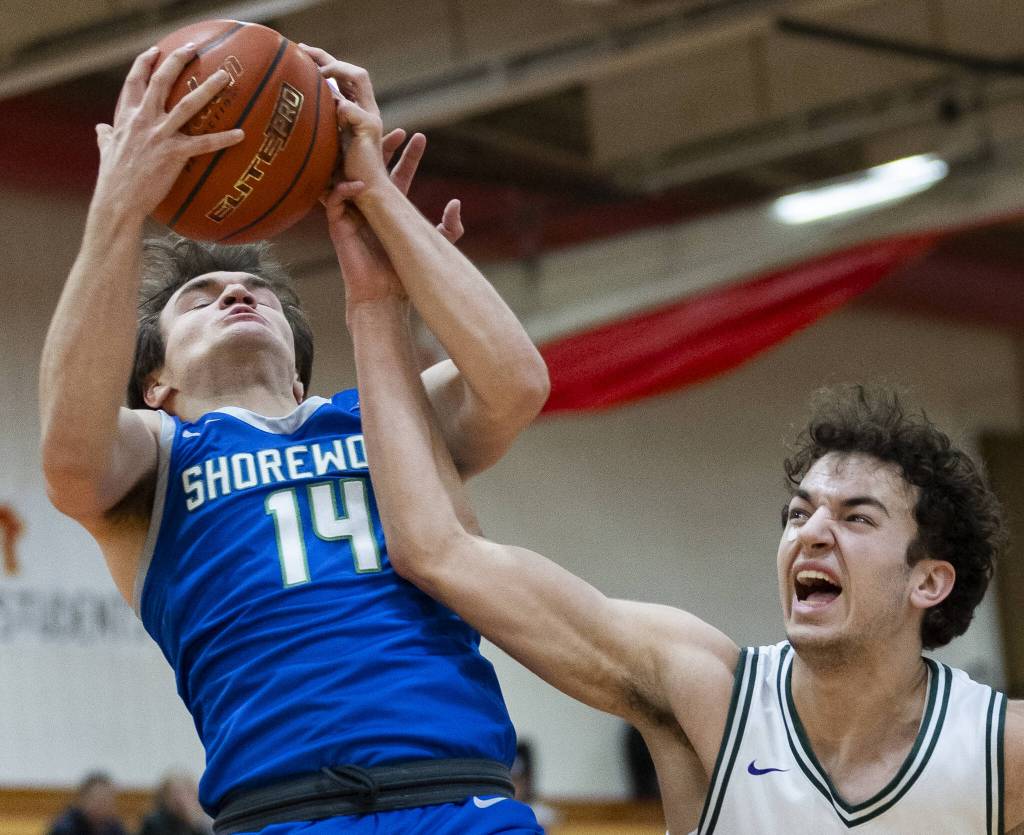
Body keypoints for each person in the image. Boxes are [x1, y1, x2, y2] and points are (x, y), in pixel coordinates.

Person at [40, 40, 549, 834]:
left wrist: (377, 201)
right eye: (200, 295)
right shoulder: (158, 457)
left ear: (305, 374)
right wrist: (118, 208)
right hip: (283, 811)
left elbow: (517, 383)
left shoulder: (384, 420)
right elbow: (68, 455)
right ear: (156, 387)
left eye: (257, 290)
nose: (237, 289)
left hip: (460, 797)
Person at [350, 263, 1021, 835]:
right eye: (799, 512)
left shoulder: (1003, 751)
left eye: (857, 517)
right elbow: (436, 549)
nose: (812, 532)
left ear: (928, 581)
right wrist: (374, 301)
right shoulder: (709, 696)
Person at [48, 772, 128, 835]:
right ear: (83, 800)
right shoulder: (65, 828)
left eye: (108, 801)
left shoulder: (113, 826)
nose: (104, 806)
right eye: (99, 801)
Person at [138, 772, 210, 835]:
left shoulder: (197, 820)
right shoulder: (154, 822)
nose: (181, 798)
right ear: (165, 796)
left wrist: (195, 821)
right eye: (176, 793)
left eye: (187, 792)